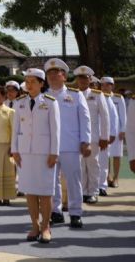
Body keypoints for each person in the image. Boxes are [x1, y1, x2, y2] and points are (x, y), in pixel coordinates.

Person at [11, 68, 60, 244]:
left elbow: (56, 130)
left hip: (44, 153)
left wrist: (54, 152)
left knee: (46, 192)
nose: (29, 85)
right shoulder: (19, 102)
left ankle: (46, 227)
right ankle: (35, 225)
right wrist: (14, 149)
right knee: (30, 191)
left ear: (41, 83)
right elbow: (15, 129)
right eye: (27, 81)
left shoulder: (50, 102)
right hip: (25, 154)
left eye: (33, 81)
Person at [45, 58, 90, 229]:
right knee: (51, 181)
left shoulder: (75, 95)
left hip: (70, 145)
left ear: (63, 76)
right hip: (49, 147)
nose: (52, 77)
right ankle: (55, 211)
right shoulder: (43, 97)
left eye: (55, 74)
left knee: (73, 180)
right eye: (49, 74)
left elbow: (85, 119)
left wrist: (85, 141)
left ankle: (75, 212)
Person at [74, 66, 109, 204]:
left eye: (85, 78)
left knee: (93, 164)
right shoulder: (72, 94)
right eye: (80, 78)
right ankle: (82, 191)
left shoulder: (97, 94)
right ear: (77, 79)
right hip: (76, 137)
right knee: (80, 165)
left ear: (90, 79)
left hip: (93, 137)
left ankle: (93, 192)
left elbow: (105, 117)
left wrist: (104, 137)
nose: (82, 80)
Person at [102, 77, 127, 189]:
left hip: (116, 131)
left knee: (116, 155)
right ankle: (107, 177)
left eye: (108, 84)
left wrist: (123, 130)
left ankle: (116, 178)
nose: (105, 86)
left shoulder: (118, 98)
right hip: (103, 130)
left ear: (112, 86)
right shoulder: (99, 97)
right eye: (103, 85)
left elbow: (123, 115)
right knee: (105, 155)